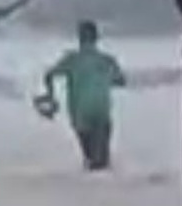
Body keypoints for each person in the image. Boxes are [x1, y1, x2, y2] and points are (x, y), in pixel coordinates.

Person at [41, 21, 126, 172]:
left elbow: (49, 75)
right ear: (96, 38)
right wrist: (103, 80)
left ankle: (93, 189)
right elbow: (121, 81)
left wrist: (50, 96)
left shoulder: (72, 59)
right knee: (103, 162)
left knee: (91, 161)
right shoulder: (107, 60)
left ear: (80, 38)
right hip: (102, 109)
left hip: (80, 113)